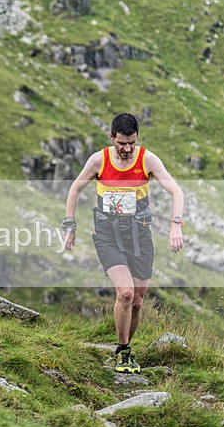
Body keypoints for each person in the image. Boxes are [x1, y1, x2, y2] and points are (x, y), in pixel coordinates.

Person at [62, 113, 184, 373]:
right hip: (107, 234)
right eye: (122, 144)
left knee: (138, 299)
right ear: (111, 138)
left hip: (139, 235)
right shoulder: (99, 160)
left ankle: (127, 344)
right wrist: (70, 225)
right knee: (125, 292)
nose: (127, 149)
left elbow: (176, 191)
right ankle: (122, 351)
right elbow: (74, 189)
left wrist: (176, 224)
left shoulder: (147, 160)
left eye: (132, 143)